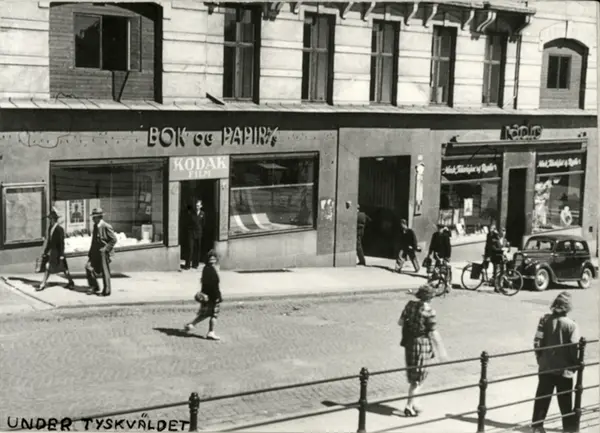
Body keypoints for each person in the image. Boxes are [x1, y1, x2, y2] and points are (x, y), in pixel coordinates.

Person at [531, 292, 580, 433]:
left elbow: (537, 341)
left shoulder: (544, 320)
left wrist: (540, 358)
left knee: (542, 397)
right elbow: (574, 347)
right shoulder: (572, 325)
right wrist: (575, 364)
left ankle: (537, 426)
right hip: (564, 369)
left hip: (546, 366)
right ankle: (568, 429)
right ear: (568, 307)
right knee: (565, 401)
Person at [398, 284, 447, 417]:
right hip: (422, 344)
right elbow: (433, 332)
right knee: (419, 377)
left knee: (414, 375)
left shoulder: (410, 305)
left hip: (410, 343)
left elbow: (400, 322)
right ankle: (409, 406)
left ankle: (414, 402)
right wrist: (441, 350)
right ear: (431, 297)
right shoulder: (429, 311)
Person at [184, 250, 222, 340]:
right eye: (211, 259)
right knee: (214, 315)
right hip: (212, 297)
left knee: (205, 313)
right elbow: (213, 285)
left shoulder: (206, 268)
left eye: (214, 259)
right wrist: (217, 297)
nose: (212, 260)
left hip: (206, 296)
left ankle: (191, 324)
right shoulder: (211, 270)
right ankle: (211, 332)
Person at [38, 207, 75, 291]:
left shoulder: (59, 229)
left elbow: (61, 243)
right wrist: (45, 251)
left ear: (54, 219)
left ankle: (70, 282)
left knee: (64, 269)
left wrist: (61, 254)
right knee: (49, 267)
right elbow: (49, 241)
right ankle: (43, 283)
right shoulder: (50, 228)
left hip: (58, 253)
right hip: (53, 253)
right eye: (49, 218)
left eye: (51, 219)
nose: (50, 220)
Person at [85, 208, 117, 297]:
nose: (92, 219)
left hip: (103, 252)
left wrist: (105, 249)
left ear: (99, 217)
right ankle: (94, 286)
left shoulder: (106, 226)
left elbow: (113, 239)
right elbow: (93, 241)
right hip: (95, 252)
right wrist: (90, 253)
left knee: (105, 271)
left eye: (94, 217)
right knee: (88, 267)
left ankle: (106, 291)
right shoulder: (95, 226)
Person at [185, 200, 206, 270]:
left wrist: (200, 230)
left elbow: (203, 224)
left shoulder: (203, 214)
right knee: (190, 248)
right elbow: (188, 222)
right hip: (191, 233)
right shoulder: (191, 213)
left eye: (198, 206)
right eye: (196, 205)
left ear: (201, 206)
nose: (197, 207)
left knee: (197, 249)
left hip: (198, 233)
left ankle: (195, 264)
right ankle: (187, 265)